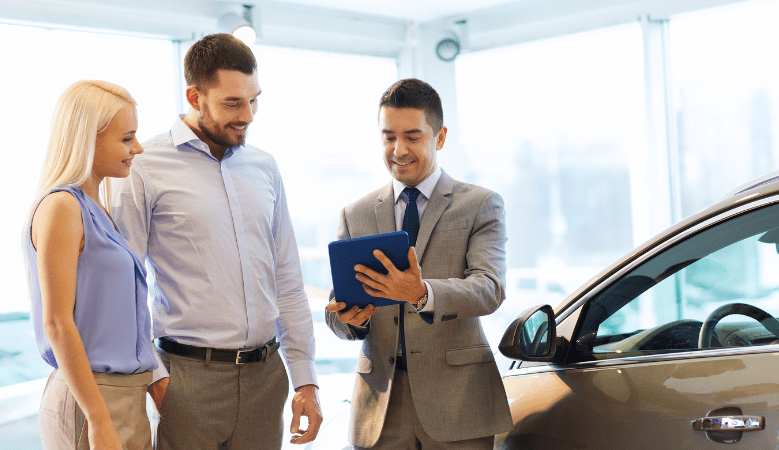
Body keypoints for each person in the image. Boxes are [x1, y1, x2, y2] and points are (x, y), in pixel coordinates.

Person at [109, 33, 322, 449]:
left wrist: (305, 381)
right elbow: (124, 287)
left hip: (266, 379)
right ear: (194, 96)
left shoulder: (265, 167)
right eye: (232, 103)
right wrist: (157, 381)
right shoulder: (144, 166)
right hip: (188, 379)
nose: (248, 115)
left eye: (254, 100)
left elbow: (288, 279)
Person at [325, 78, 513, 449]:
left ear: (440, 137)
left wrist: (422, 293)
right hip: (379, 405)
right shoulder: (355, 214)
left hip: (458, 403)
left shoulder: (480, 204)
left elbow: (489, 289)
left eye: (413, 136)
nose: (399, 149)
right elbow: (336, 310)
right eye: (388, 136)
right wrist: (349, 319)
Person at [24, 80, 155, 450]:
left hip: (124, 397)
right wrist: (98, 420)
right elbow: (56, 323)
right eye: (127, 138)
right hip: (92, 400)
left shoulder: (97, 208)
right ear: (88, 140)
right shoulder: (62, 207)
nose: (138, 148)